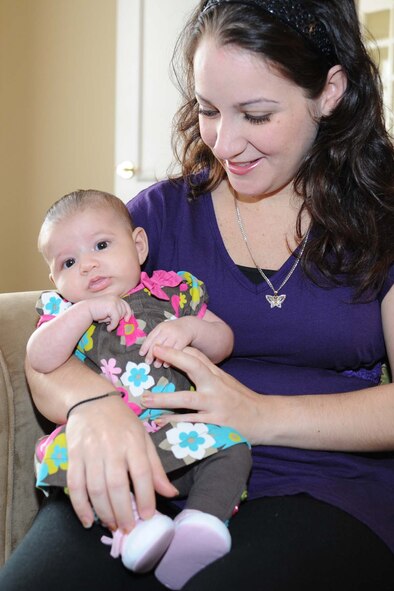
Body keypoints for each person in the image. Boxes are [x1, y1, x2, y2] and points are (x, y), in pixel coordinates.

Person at [1, 0, 394, 589]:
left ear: (330, 91)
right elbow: (47, 354)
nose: (226, 143)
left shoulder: (382, 216)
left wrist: (261, 415)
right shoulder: (155, 217)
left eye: (256, 115)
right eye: (209, 110)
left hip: (319, 481)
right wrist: (94, 408)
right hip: (153, 461)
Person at [26, 189, 251, 589]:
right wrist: (84, 312)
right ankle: (133, 528)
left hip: (173, 433)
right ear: (55, 279)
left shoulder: (173, 292)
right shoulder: (65, 312)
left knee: (232, 447)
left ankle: (200, 524)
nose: (88, 265)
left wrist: (190, 329)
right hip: (106, 446)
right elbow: (40, 358)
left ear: (138, 245)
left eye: (101, 245)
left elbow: (224, 341)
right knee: (66, 461)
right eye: (69, 262)